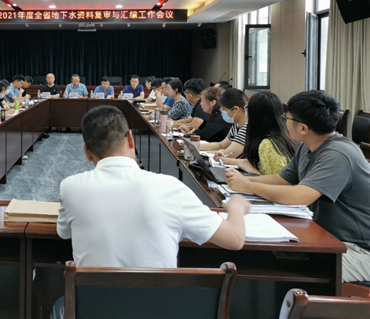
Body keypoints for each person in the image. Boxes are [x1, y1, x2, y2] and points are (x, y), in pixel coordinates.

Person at [52, 106, 249, 318]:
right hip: (160, 310)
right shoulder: (170, 187)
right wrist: (236, 207)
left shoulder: (70, 187)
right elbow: (235, 239)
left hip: (96, 311)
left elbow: (63, 233)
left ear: (86, 152)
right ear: (130, 139)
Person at [226, 90, 370, 282]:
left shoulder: (338, 154)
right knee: (261, 257)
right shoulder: (307, 146)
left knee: (291, 274)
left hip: (359, 248)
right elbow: (281, 179)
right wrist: (242, 181)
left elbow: (301, 196)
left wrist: (248, 187)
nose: (284, 121)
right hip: (330, 237)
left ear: (303, 128)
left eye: (287, 117)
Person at [221, 91, 296, 175]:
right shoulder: (280, 136)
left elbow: (273, 180)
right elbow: (249, 162)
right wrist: (225, 160)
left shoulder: (268, 144)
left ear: (255, 114)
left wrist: (249, 172)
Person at [199, 88, 248, 158]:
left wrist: (217, 152)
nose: (223, 113)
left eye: (224, 110)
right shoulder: (236, 125)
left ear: (236, 109)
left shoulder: (247, 128)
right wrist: (194, 145)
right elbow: (221, 145)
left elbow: (230, 154)